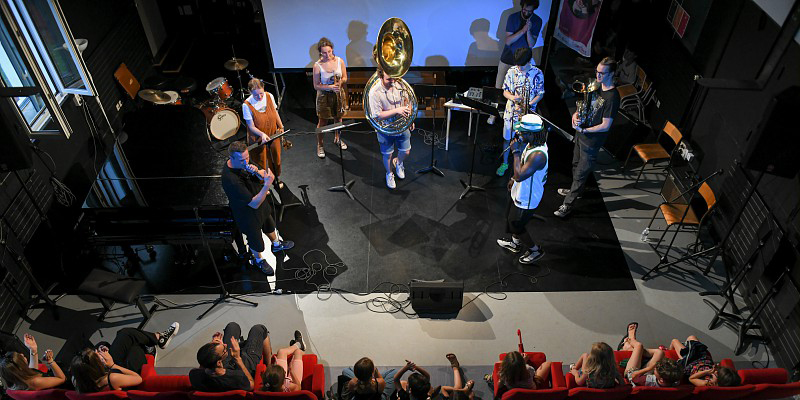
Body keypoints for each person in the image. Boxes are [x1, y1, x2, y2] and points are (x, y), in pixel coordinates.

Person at [554, 57, 620, 218]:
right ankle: (577, 192)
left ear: (611, 74)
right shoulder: (596, 86)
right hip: (580, 135)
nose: (597, 76)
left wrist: (586, 131)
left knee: (580, 173)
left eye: (602, 73)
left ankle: (567, 205)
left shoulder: (612, 97)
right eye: (597, 71)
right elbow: (584, 104)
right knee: (575, 165)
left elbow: (606, 125)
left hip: (591, 141)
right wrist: (575, 116)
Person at [221, 141, 294, 276]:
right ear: (232, 158)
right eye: (243, 160)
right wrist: (267, 186)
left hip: (260, 204)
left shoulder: (243, 161)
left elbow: (261, 173)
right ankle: (258, 260)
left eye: (247, 158)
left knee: (269, 224)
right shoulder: (231, 180)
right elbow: (253, 204)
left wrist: (258, 172)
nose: (246, 162)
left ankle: (277, 244)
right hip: (248, 213)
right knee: (256, 241)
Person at [496, 114, 548, 265]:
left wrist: (515, 152)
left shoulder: (538, 155)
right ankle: (515, 243)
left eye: (522, 132)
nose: (518, 134)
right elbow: (519, 174)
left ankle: (535, 250)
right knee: (510, 216)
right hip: (520, 190)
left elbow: (519, 175)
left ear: (531, 134)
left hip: (528, 196)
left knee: (516, 224)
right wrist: (512, 179)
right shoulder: (532, 143)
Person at [69, 323, 179, 393]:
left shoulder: (78, 381)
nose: (97, 353)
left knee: (122, 334)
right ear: (95, 367)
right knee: (133, 346)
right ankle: (157, 340)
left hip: (108, 370)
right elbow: (138, 379)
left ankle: (158, 338)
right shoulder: (112, 379)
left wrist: (101, 357)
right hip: (128, 377)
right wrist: (111, 364)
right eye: (96, 356)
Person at [489, 0, 542, 125]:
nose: (527, 13)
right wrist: (523, 30)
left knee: (519, 91)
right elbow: (508, 41)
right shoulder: (512, 17)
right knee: (499, 88)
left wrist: (528, 30)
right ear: (522, 6)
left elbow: (531, 44)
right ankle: (493, 114)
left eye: (530, 11)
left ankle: (517, 118)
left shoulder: (537, 21)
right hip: (507, 58)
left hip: (524, 62)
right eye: (525, 10)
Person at [496, 47, 544, 177]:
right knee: (507, 139)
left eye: (521, 65)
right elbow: (505, 90)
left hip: (527, 114)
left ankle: (521, 166)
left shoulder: (538, 73)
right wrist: (513, 98)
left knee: (524, 141)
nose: (519, 67)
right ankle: (505, 163)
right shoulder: (512, 71)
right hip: (511, 112)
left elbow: (540, 93)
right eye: (517, 64)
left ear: (529, 61)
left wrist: (529, 103)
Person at [367, 68, 415, 190]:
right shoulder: (374, 92)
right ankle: (389, 173)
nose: (393, 81)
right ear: (381, 76)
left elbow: (408, 101)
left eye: (394, 77)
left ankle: (398, 163)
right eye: (389, 79)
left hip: (401, 126)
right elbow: (376, 115)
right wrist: (397, 110)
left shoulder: (399, 83)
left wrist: (410, 119)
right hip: (385, 128)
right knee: (387, 155)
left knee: (406, 151)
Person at [190, 323, 273, 392]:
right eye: (224, 350)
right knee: (259, 329)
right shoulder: (236, 378)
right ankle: (269, 367)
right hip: (245, 367)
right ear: (219, 363)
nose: (225, 344)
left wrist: (212, 347)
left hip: (225, 365)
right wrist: (238, 358)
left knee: (232, 326)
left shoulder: (194, 375)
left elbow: (203, 363)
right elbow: (251, 384)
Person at [242, 78, 286, 189]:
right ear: (250, 92)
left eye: (261, 93)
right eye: (256, 95)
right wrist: (261, 134)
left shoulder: (269, 96)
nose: (260, 97)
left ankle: (276, 178)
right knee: (260, 161)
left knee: (276, 158)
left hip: (273, 133)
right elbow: (251, 126)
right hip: (257, 137)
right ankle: (261, 184)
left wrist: (281, 126)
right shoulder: (246, 105)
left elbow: (275, 112)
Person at [313, 37, 349, 158]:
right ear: (320, 52)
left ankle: (337, 139)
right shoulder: (318, 65)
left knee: (338, 119)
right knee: (323, 122)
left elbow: (344, 77)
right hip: (324, 97)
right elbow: (316, 85)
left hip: (338, 95)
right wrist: (329, 87)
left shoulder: (340, 61)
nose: (327, 54)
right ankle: (320, 145)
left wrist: (340, 83)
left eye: (329, 51)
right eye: (324, 52)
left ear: (332, 49)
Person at [393, 354, 474, 400]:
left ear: (410, 390)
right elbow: (427, 375)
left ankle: (464, 389)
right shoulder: (426, 395)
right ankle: (455, 367)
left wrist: (406, 368)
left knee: (456, 391)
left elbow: (396, 379)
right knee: (457, 393)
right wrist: (414, 367)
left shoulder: (405, 398)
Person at [0, 334, 65, 391]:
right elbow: (62, 379)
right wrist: (50, 361)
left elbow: (33, 370)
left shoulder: (18, 382)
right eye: (20, 356)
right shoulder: (35, 382)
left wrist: (33, 349)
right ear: (20, 367)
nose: (22, 354)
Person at [669, 335, 740, 387]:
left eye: (716, 374)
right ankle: (685, 346)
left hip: (690, 362)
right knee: (692, 337)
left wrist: (707, 372)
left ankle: (668, 351)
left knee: (674, 341)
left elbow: (691, 378)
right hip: (703, 359)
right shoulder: (716, 379)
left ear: (720, 381)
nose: (715, 372)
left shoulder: (706, 384)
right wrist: (716, 367)